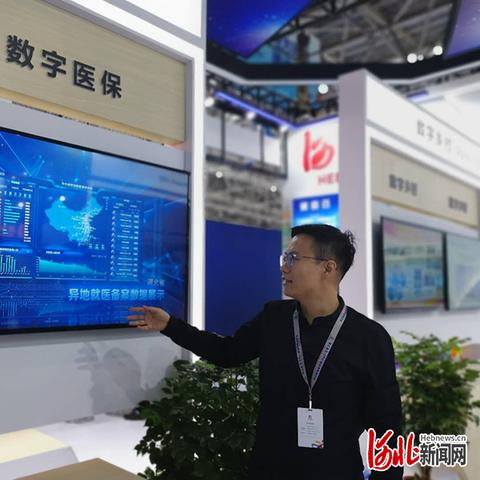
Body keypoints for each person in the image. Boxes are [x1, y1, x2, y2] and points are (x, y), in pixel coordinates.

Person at [128, 224, 403, 480]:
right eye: (285, 258)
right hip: (269, 468)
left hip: (335, 471)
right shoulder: (275, 318)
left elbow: (387, 426)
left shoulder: (369, 338)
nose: (284, 267)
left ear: (328, 268)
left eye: (293, 258)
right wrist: (170, 325)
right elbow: (227, 352)